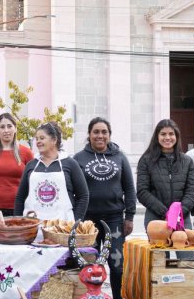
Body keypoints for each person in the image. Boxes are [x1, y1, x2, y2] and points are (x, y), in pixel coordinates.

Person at [73, 117, 135, 299]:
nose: (100, 136)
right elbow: (73, 190)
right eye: (96, 132)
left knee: (116, 266)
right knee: (89, 267)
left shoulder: (120, 157)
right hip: (87, 223)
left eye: (104, 132)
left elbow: (129, 188)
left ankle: (117, 296)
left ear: (109, 135)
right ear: (89, 135)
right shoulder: (78, 159)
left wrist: (129, 216)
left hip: (114, 220)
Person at [136, 119, 194, 259]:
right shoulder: (146, 160)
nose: (167, 138)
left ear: (177, 136)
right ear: (157, 137)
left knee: (186, 259)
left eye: (171, 134)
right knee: (160, 262)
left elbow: (191, 190)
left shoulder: (186, 161)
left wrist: (179, 212)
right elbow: (142, 191)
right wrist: (166, 213)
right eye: (163, 134)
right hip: (156, 219)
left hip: (182, 218)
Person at [14, 122, 89, 221]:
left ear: (54, 140)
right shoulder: (31, 165)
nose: (38, 142)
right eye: (36, 139)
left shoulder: (70, 163)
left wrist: (74, 223)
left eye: (42, 138)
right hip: (32, 227)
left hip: (62, 229)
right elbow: (20, 197)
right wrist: (18, 222)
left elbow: (83, 195)